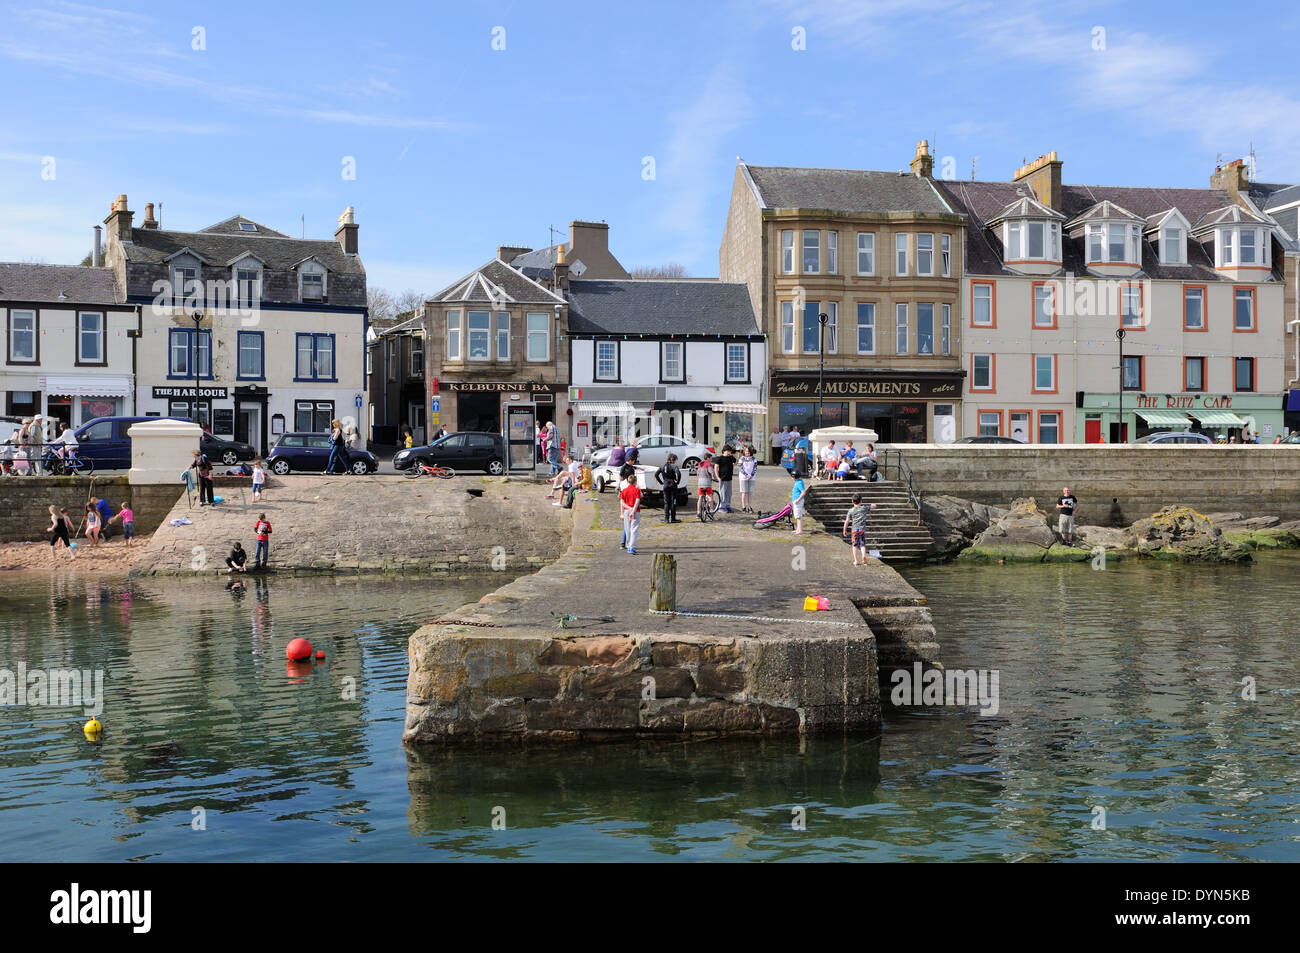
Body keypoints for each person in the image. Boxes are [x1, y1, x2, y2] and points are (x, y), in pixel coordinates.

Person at [842, 493, 879, 566]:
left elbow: (847, 521)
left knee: (855, 545)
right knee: (862, 545)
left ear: (852, 501)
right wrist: (873, 504)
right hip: (862, 530)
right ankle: (863, 556)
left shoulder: (851, 511)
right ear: (861, 501)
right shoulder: (864, 508)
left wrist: (844, 530)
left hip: (854, 530)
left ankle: (856, 560)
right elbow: (874, 506)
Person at [654, 453, 682, 523]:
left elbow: (656, 474)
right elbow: (678, 473)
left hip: (665, 484)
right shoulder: (674, 466)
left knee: (666, 502)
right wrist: (677, 482)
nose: (675, 462)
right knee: (673, 502)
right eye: (675, 460)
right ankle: (673, 518)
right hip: (673, 485)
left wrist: (661, 482)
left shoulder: (662, 466)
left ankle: (666, 519)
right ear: (673, 460)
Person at [620, 469, 642, 555]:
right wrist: (633, 510)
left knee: (627, 529)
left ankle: (628, 545)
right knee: (634, 529)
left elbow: (622, 502)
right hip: (635, 511)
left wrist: (629, 509)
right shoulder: (637, 490)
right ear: (635, 482)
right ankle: (632, 547)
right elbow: (637, 501)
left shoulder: (624, 490)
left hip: (626, 511)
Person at [715, 446, 735, 513]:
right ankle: (721, 507)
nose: (729, 452)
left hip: (729, 478)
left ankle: (727, 506)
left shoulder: (731, 457)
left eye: (730, 451)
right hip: (723, 478)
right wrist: (717, 477)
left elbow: (735, 461)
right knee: (722, 493)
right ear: (724, 451)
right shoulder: (720, 458)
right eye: (728, 451)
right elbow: (716, 468)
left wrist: (733, 464)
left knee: (729, 493)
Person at [695, 452, 715, 521]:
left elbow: (697, 473)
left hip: (700, 483)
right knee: (710, 497)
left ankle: (698, 512)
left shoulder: (700, 464)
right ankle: (711, 511)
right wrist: (714, 478)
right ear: (708, 458)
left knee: (700, 497)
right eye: (711, 458)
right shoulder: (708, 464)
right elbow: (711, 472)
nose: (711, 459)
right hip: (707, 483)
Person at [738, 445, 758, 513]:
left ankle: (749, 507)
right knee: (744, 493)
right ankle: (743, 507)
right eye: (746, 451)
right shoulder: (741, 459)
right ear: (744, 451)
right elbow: (741, 468)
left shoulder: (754, 459)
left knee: (750, 493)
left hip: (752, 478)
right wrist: (746, 476)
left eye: (749, 451)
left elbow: (755, 468)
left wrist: (751, 476)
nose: (747, 452)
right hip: (743, 478)